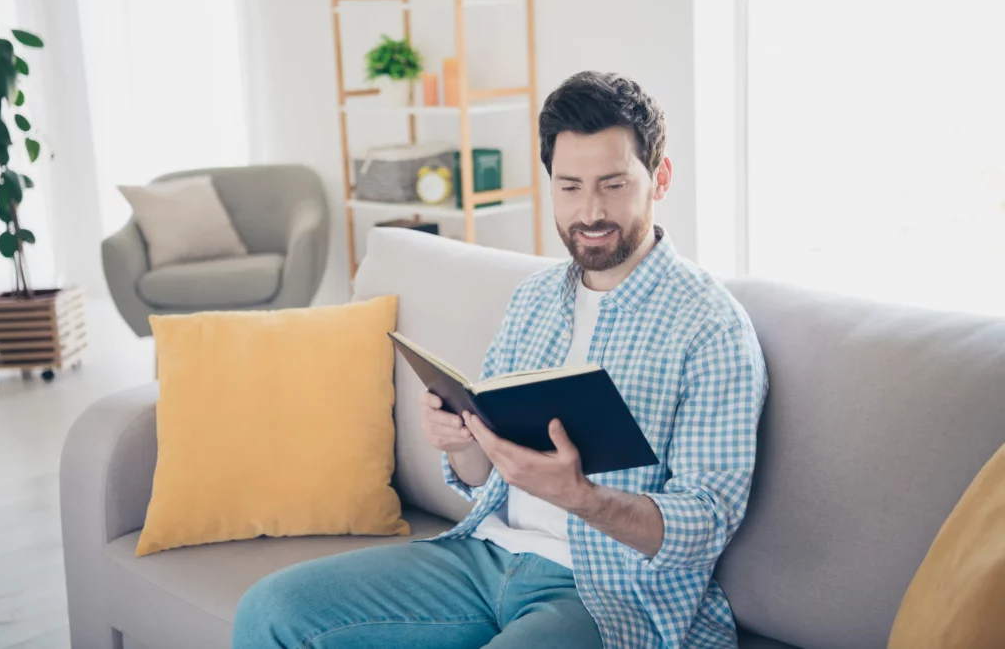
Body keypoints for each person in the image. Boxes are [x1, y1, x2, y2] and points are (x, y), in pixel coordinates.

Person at [233, 70, 769, 648]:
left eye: (613, 184)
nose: (590, 211)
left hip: (605, 596)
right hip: (484, 554)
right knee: (271, 610)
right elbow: (482, 476)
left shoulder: (710, 327)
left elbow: (706, 524)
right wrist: (462, 441)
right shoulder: (536, 298)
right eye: (569, 187)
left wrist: (581, 497)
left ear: (659, 178)